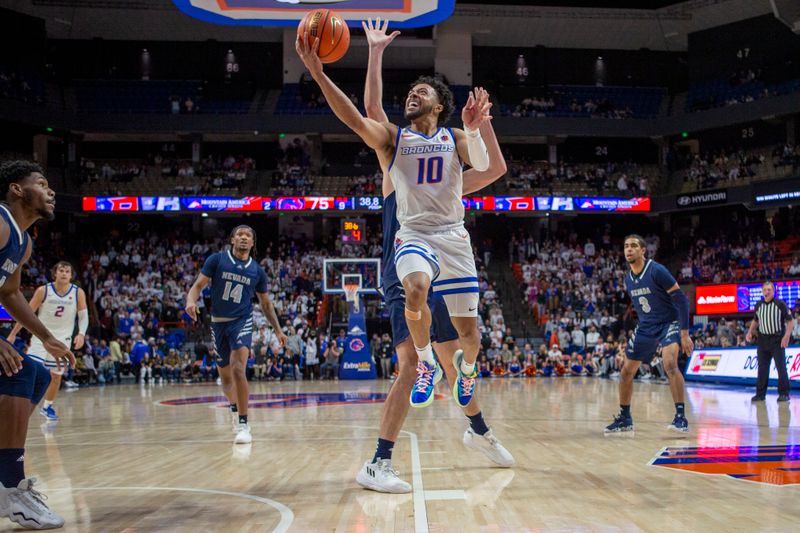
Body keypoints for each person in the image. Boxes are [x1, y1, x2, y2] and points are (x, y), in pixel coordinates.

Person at [297, 20, 494, 411]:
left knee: (469, 337)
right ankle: (426, 365)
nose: (411, 95)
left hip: (453, 237)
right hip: (413, 235)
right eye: (409, 91)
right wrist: (319, 75)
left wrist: (473, 131)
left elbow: (485, 164)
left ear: (438, 106)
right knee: (415, 289)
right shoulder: (393, 139)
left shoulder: (453, 137)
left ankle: (467, 370)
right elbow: (357, 116)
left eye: (420, 92)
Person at [352, 19, 513, 495]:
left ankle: (478, 431)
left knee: (456, 355)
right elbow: (373, 108)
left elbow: (494, 167)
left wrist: (479, 126)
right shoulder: (395, 156)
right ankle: (378, 461)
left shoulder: (445, 167)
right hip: (404, 266)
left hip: (444, 257)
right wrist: (376, 52)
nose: (411, 100)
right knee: (411, 363)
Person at [0, 160, 75, 529]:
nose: (51, 191)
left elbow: (10, 293)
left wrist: (48, 338)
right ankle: (10, 488)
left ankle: (4, 471)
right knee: (15, 371)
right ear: (17, 189)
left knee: (38, 376)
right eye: (42, 184)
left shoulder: (23, 241)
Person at [185, 225, 287, 445]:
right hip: (218, 323)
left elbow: (266, 305)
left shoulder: (257, 271)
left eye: (248, 235)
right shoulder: (217, 260)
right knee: (225, 377)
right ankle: (234, 408)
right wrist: (190, 301)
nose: (243, 237)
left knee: (239, 368)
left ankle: (243, 423)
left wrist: (278, 330)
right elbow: (197, 286)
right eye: (239, 234)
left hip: (241, 321)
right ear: (232, 240)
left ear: (252, 243)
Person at [605, 234, 694, 435]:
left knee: (670, 363)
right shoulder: (628, 278)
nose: (629, 249)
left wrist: (685, 333)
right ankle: (625, 418)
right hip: (646, 326)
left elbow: (681, 300)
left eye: (633, 246)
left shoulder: (657, 270)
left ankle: (680, 417)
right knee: (626, 371)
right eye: (626, 246)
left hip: (668, 322)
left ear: (643, 250)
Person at [7, 261, 88, 421]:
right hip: (41, 337)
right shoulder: (43, 290)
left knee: (56, 376)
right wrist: (13, 334)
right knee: (34, 370)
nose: (64, 273)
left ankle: (47, 407)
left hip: (62, 339)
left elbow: (83, 316)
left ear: (71, 276)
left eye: (67, 271)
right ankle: (23, 404)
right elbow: (26, 314)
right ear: (55, 274)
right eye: (61, 270)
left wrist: (81, 333)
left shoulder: (78, 293)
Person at [746, 281, 795, 402]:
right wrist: (750, 332)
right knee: (762, 368)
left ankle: (784, 393)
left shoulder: (780, 304)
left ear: (773, 291)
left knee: (781, 367)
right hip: (763, 340)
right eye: (765, 290)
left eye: (769, 290)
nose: (767, 292)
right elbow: (755, 320)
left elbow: (790, 321)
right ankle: (760, 394)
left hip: (777, 340)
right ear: (762, 292)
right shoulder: (758, 305)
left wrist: (786, 336)